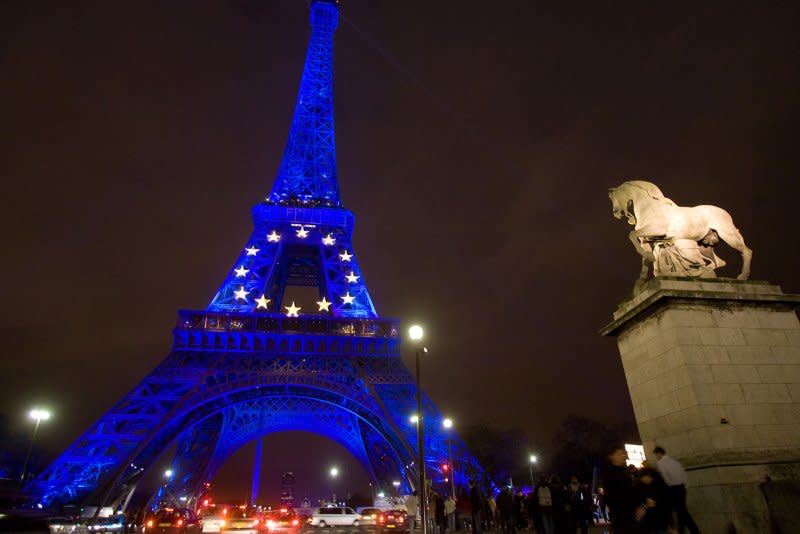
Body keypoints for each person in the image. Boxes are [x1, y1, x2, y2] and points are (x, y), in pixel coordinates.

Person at [652, 446, 701, 534]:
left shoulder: (660, 463)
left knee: (679, 512)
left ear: (658, 453)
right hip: (681, 488)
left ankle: (693, 530)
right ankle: (683, 530)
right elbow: (684, 475)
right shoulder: (675, 462)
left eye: (656, 455)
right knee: (681, 511)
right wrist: (684, 487)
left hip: (672, 489)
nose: (656, 457)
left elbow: (665, 478)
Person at [603, 445, 639, 534]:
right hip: (622, 516)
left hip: (630, 513)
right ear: (611, 456)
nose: (624, 456)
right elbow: (612, 497)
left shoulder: (624, 471)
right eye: (620, 454)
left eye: (624, 453)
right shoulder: (610, 474)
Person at [636, 467, 672, 534]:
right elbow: (638, 504)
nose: (646, 479)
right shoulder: (639, 488)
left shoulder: (661, 486)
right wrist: (646, 503)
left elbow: (667, 504)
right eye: (644, 477)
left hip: (660, 519)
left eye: (649, 477)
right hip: (647, 521)